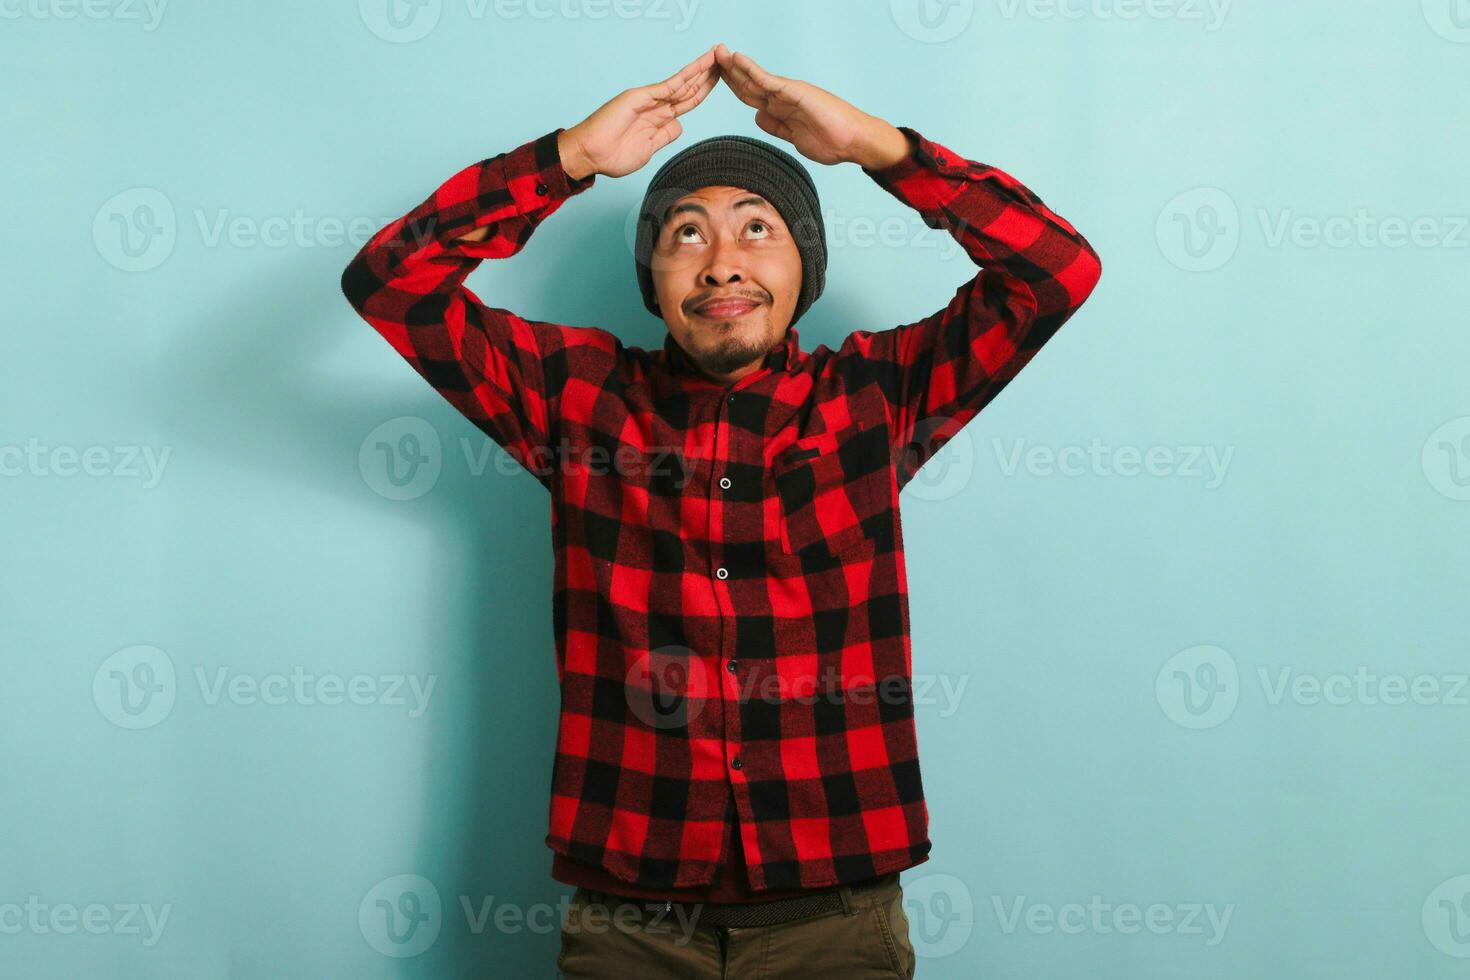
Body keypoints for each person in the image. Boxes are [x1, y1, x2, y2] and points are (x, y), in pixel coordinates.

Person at [341, 42, 1101, 978]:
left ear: (803, 268)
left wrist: (877, 147)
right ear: (655, 278)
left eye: (757, 230)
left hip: (838, 914)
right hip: (630, 923)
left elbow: (1057, 271)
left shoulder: (876, 395)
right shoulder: (575, 398)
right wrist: (567, 160)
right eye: (686, 235)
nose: (721, 265)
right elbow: (388, 282)